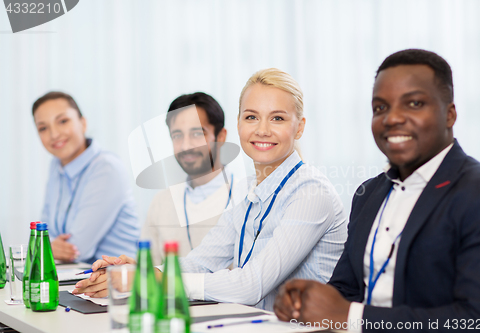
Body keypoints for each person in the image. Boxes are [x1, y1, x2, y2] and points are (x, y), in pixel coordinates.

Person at [73, 68, 348, 311]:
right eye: (251, 117)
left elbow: (252, 285)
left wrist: (156, 280)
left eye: (277, 118)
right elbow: (200, 262)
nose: (262, 130)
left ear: (299, 127)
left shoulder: (311, 193)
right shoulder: (248, 191)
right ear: (239, 124)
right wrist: (141, 272)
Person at [274, 49, 480, 332]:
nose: (392, 118)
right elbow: (346, 289)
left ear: (449, 114)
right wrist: (304, 302)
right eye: (380, 108)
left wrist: (351, 317)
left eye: (414, 103)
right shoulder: (368, 193)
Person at [33, 91, 140, 264]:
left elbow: (77, 250)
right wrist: (48, 246)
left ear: (83, 123)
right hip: (76, 278)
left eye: (63, 121)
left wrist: (47, 246)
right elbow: (41, 233)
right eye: (43, 128)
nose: (54, 134)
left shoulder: (106, 168)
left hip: (117, 283)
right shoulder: (56, 166)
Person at [141, 92, 235, 263]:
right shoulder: (161, 202)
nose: (185, 146)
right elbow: (147, 272)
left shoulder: (247, 197)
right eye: (177, 136)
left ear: (221, 137)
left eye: (197, 134)